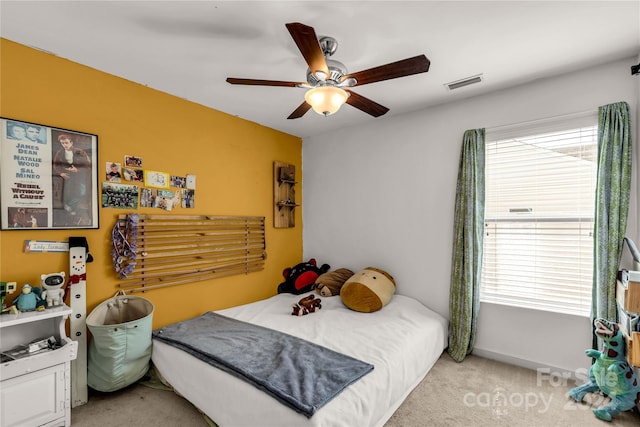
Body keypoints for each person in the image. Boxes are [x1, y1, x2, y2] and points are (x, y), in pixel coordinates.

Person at [52, 134, 92, 225]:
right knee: (67, 194)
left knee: (82, 192)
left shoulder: (80, 152)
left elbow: (88, 166)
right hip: (67, 176)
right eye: (62, 143)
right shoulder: (60, 153)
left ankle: (69, 208)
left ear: (71, 142)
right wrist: (61, 173)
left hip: (79, 176)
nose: (65, 145)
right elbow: (55, 165)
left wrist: (77, 170)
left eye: (66, 143)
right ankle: (69, 211)